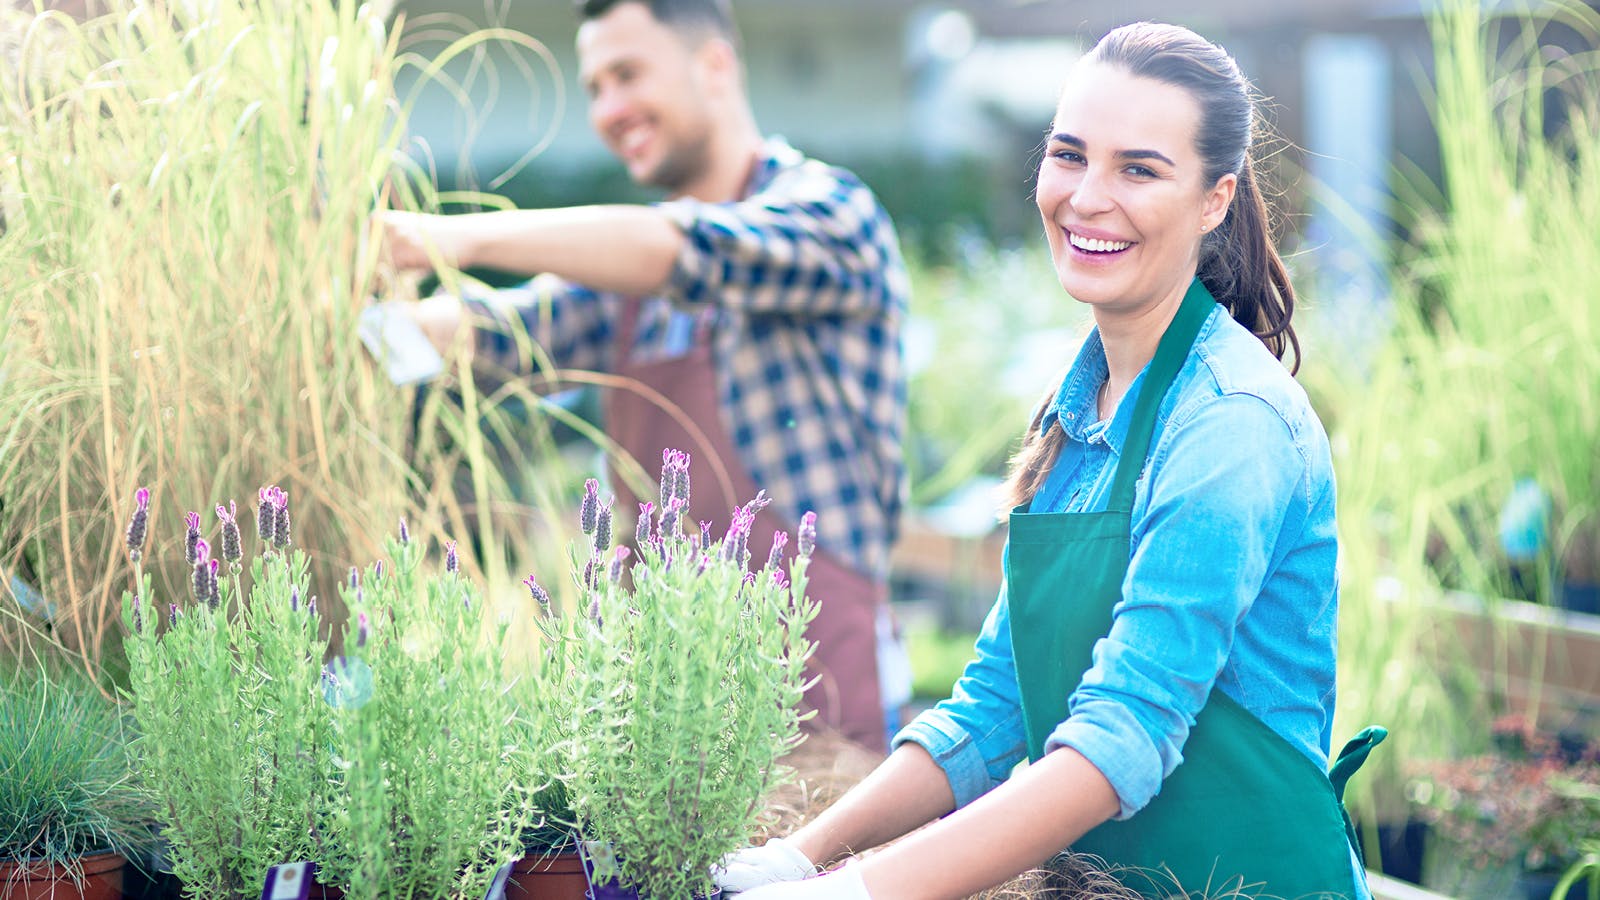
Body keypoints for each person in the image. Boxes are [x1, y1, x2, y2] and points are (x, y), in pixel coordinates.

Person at [712, 21, 1385, 900]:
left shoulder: (1231, 425)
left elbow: (1123, 737)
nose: (1087, 197)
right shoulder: (1078, 408)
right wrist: (801, 856)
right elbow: (995, 705)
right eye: (1069, 156)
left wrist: (857, 891)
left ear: (1215, 199)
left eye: (1139, 169)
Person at [377, 0, 909, 752]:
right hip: (662, 701)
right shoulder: (627, 281)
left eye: (627, 74)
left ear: (714, 66)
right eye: (594, 86)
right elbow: (505, 329)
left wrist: (445, 238)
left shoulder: (831, 213)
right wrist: (361, 326)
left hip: (811, 677)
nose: (609, 108)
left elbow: (685, 249)